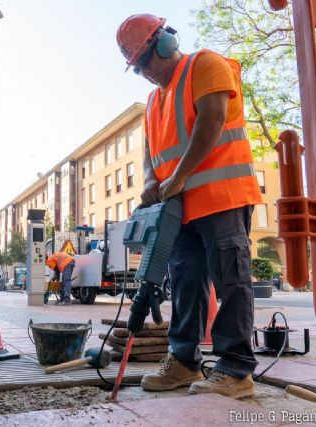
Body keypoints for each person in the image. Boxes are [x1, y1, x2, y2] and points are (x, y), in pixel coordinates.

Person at [116, 14, 263, 399]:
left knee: (230, 281)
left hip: (222, 197)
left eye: (147, 60)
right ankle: (182, 361)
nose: (146, 72)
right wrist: (151, 181)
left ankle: (235, 370)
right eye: (138, 68)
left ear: (165, 43)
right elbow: (149, 150)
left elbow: (212, 120)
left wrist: (178, 176)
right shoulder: (153, 100)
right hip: (179, 209)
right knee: (185, 284)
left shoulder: (206, 65)